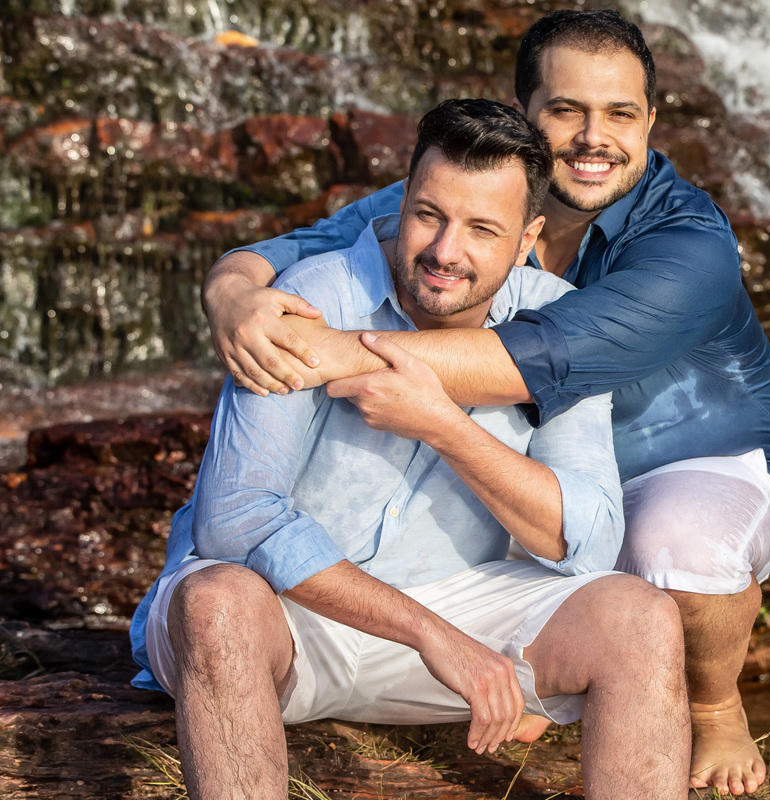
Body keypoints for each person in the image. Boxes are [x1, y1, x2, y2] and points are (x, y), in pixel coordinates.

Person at [202, 9, 770, 796]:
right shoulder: (458, 187)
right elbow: (303, 252)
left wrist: (326, 354)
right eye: (566, 111)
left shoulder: (688, 246)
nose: (595, 137)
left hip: (697, 453)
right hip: (551, 467)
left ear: (652, 122)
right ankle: (529, 677)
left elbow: (543, 358)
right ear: (525, 115)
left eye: (621, 114)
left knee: (671, 552)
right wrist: (233, 294)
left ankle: (716, 702)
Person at [128, 98, 689, 800]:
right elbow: (235, 519)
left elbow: (589, 537)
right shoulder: (310, 300)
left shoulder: (557, 320)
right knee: (216, 600)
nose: (445, 251)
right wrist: (429, 634)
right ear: (403, 198)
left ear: (525, 239)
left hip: (462, 608)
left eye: (483, 229)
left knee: (641, 619)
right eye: (429, 214)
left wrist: (443, 423)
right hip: (294, 612)